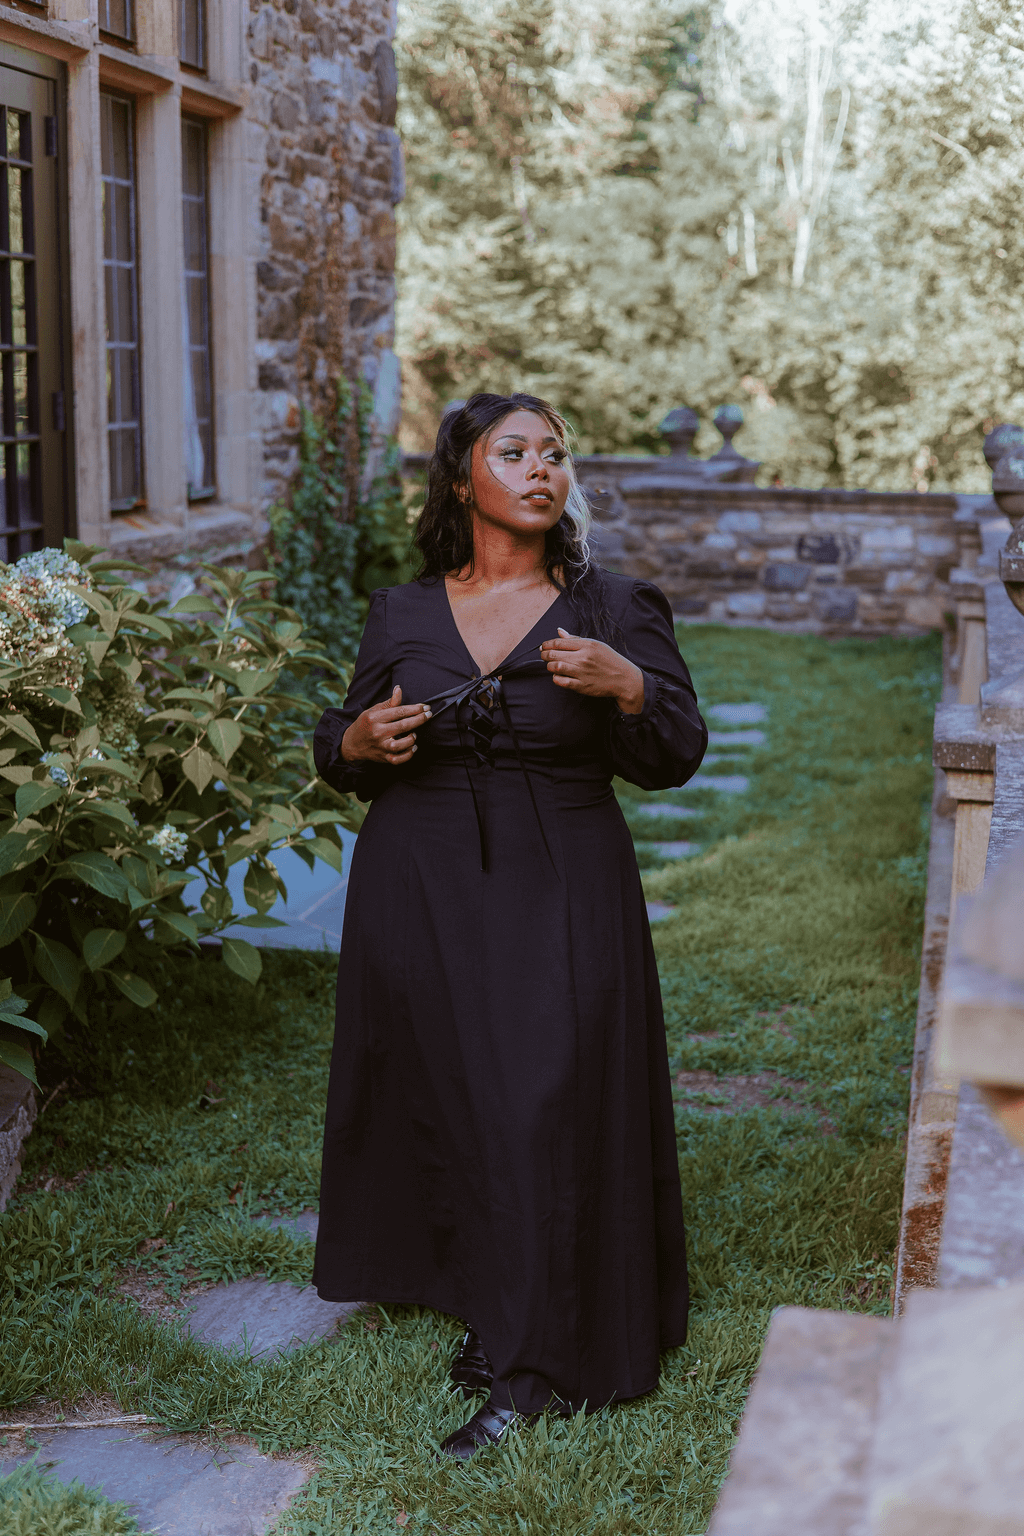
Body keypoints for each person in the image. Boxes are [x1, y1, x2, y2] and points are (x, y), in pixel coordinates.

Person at [311, 392, 708, 1460]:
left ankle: (540, 1365)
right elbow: (341, 745)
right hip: (418, 883)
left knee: (543, 1098)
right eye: (515, 452)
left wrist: (630, 688)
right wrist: (355, 743)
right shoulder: (401, 612)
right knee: (448, 1087)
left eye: (555, 454)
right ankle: (486, 1299)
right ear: (461, 480)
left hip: (561, 881)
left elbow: (675, 753)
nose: (542, 469)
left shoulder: (613, 605)